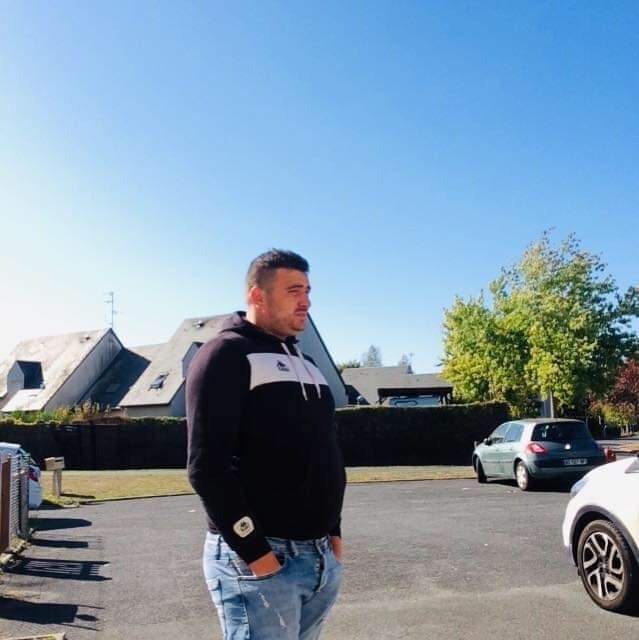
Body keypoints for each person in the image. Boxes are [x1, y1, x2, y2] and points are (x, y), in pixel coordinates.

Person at [186, 249, 346, 640]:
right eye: (294, 290)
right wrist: (257, 555)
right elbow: (207, 467)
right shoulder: (225, 354)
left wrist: (334, 531)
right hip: (262, 561)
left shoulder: (309, 365)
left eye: (307, 290)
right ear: (257, 296)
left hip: (319, 557)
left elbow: (324, 451)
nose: (306, 302)